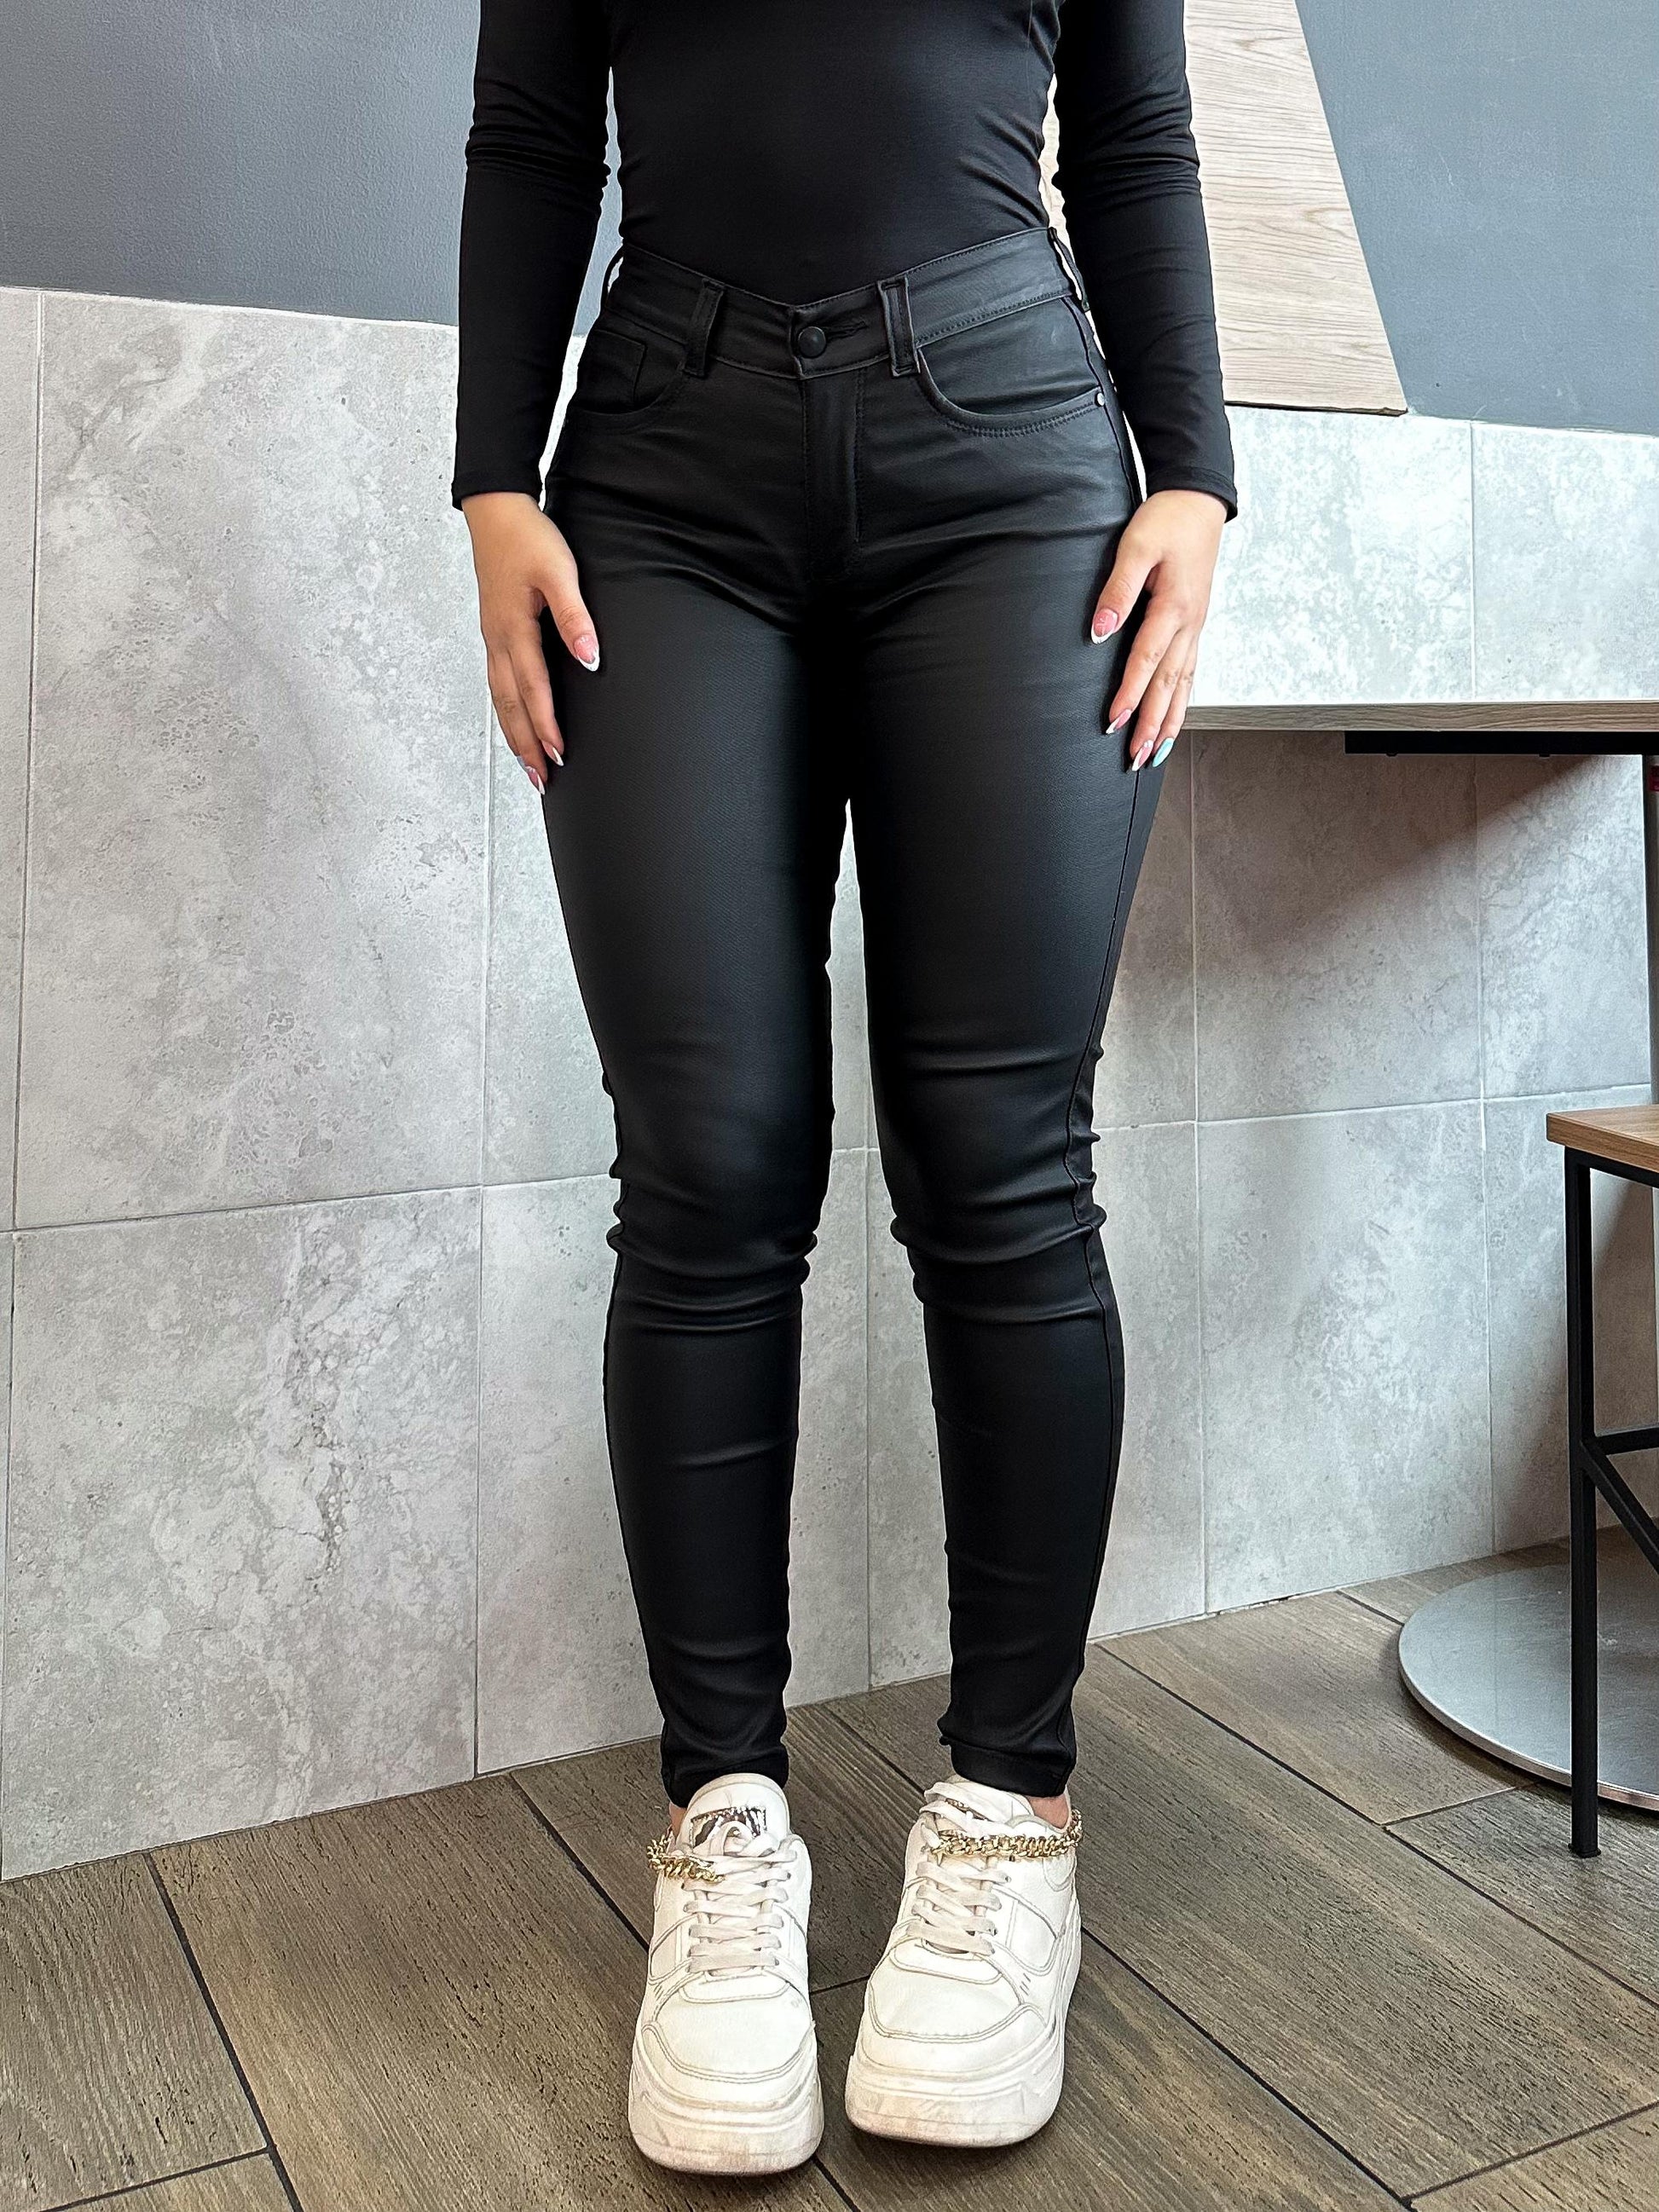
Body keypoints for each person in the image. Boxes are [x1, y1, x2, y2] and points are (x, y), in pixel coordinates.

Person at [454, 0, 1235, 2174]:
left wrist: (1193, 470)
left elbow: (1138, 131)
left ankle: (1008, 1815)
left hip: (1011, 450)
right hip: (660, 467)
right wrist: (492, 476)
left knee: (998, 1157)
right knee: (706, 1162)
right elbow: (531, 126)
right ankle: (721, 1826)